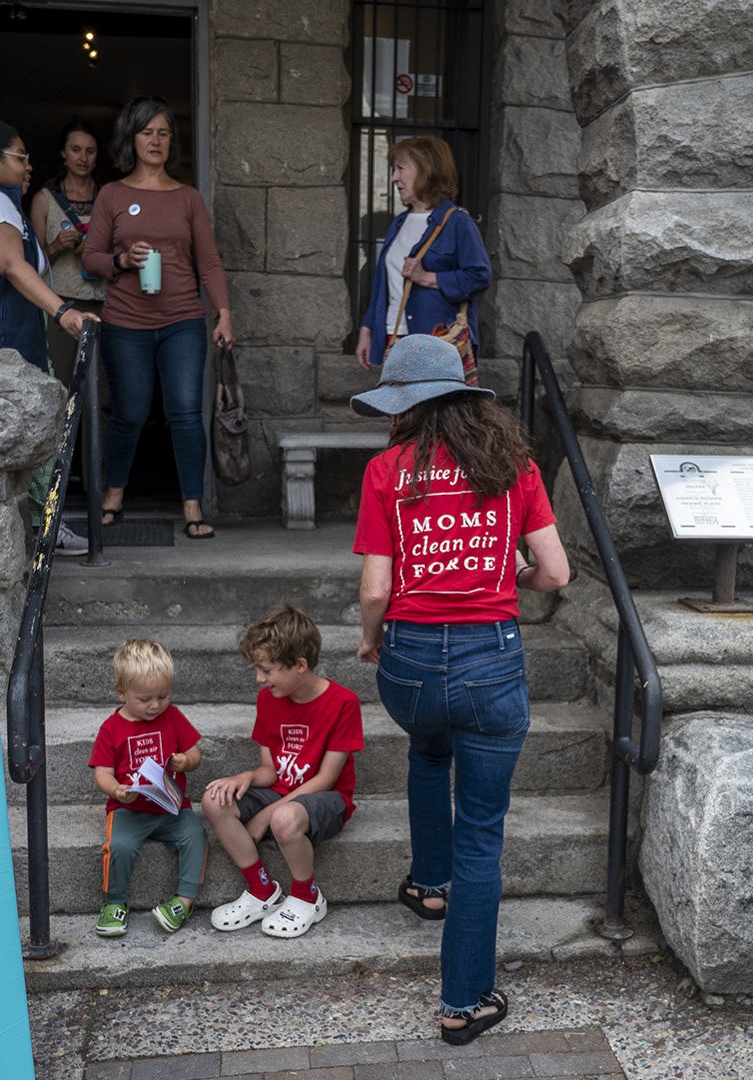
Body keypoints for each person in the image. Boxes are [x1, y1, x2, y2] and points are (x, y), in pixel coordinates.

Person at [350, 334, 571, 1046]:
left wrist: (370, 640)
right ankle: (464, 1001)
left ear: (402, 408)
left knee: (427, 749)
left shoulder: (386, 470)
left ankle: (427, 885)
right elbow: (557, 574)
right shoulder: (515, 468)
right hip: (491, 663)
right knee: (483, 835)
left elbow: (377, 587)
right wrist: (511, 581)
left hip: (410, 663)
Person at [81, 98, 235, 540]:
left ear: (172, 141)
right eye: (147, 132)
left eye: (164, 133)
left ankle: (192, 504)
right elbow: (91, 258)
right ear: (131, 138)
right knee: (128, 412)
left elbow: (209, 262)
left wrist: (223, 315)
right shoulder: (112, 194)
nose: (156, 141)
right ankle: (114, 494)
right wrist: (122, 259)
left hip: (183, 319)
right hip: (125, 322)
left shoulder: (188, 198)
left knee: (185, 412)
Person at [0, 116, 93, 555]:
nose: (29, 164)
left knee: (38, 437)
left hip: (13, 338)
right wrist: (64, 311)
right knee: (33, 439)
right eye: (20, 156)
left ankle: (42, 527)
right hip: (3, 342)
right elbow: (12, 267)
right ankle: (45, 527)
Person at [202, 606, 365, 939]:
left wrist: (264, 816)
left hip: (325, 798)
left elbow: (325, 780)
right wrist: (244, 778)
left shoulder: (343, 703)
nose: (259, 679)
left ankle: (307, 896)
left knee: (283, 820)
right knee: (214, 800)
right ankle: (261, 889)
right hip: (281, 792)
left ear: (300, 665)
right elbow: (271, 771)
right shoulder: (269, 699)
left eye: (266, 670)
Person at [86, 638, 206, 936]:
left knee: (196, 834)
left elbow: (195, 754)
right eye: (145, 699)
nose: (155, 705)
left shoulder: (173, 716)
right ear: (121, 692)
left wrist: (185, 761)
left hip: (170, 807)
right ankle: (115, 903)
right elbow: (102, 772)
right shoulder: (111, 729)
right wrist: (116, 790)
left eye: (163, 695)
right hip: (129, 809)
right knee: (120, 847)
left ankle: (184, 900)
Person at [354, 137, 491, 385]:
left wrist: (427, 278)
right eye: (394, 170)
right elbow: (382, 284)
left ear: (426, 168)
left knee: (434, 418)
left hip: (437, 339)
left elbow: (480, 276)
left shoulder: (458, 222)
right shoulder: (398, 223)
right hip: (393, 336)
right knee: (401, 416)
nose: (394, 178)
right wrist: (366, 331)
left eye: (401, 169)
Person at [36, 118, 106, 391]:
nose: (83, 157)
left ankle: (96, 437)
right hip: (60, 304)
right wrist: (55, 246)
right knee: (62, 387)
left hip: (103, 303)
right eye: (76, 149)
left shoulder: (108, 197)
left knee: (102, 393)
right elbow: (33, 264)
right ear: (63, 153)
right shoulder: (45, 198)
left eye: (90, 151)